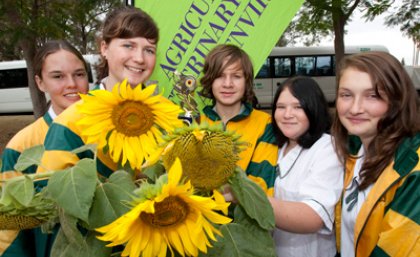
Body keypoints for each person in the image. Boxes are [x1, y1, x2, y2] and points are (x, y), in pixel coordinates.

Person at [38, 6, 159, 177]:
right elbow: (53, 195)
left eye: (149, 50)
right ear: (104, 48)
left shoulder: (164, 116)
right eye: (128, 46)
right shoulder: (69, 125)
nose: (139, 58)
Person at [0, 40, 89, 256]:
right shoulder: (22, 147)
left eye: (79, 74)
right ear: (40, 83)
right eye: (58, 76)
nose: (71, 84)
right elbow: (10, 233)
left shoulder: (111, 132)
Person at [333, 52, 419, 257]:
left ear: (397, 99)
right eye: (346, 95)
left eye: (373, 96)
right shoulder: (354, 151)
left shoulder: (412, 169)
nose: (355, 108)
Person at [268, 76, 343, 257]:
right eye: (281, 107)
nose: (287, 114)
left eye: (298, 107)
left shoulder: (327, 148)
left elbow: (313, 217)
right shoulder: (274, 147)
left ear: (313, 109)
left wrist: (249, 197)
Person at [199, 44, 278, 195]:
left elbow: (259, 187)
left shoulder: (265, 123)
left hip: (243, 217)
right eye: (220, 76)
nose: (227, 84)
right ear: (210, 80)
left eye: (236, 76)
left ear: (246, 81)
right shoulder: (194, 124)